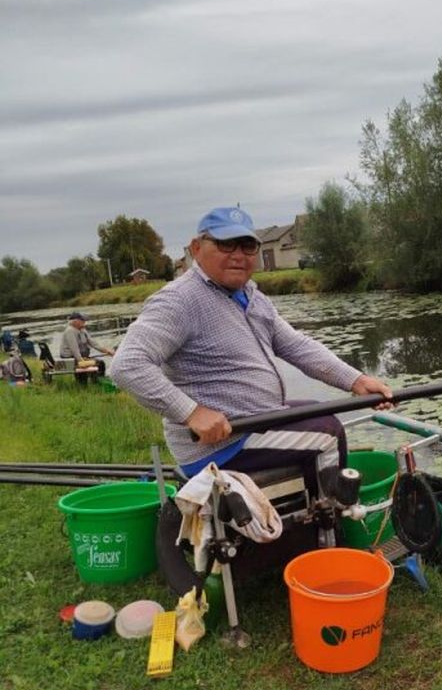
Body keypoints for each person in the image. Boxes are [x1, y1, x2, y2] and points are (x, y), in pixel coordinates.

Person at [110, 206, 393, 495]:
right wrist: (191, 412)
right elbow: (127, 365)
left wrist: (357, 381)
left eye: (247, 245)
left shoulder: (251, 296)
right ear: (196, 248)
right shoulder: (179, 300)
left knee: (317, 411)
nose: (238, 254)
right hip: (219, 445)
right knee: (329, 433)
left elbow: (296, 345)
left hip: (255, 421)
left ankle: (315, 509)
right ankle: (333, 523)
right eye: (225, 243)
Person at [59, 312, 115, 376]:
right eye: (82, 320)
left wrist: (107, 351)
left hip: (81, 356)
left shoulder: (83, 330)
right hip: (70, 358)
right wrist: (82, 361)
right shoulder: (70, 331)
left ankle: (98, 380)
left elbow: (93, 343)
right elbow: (74, 349)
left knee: (100, 363)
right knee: (97, 364)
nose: (84, 322)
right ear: (75, 321)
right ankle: (92, 382)